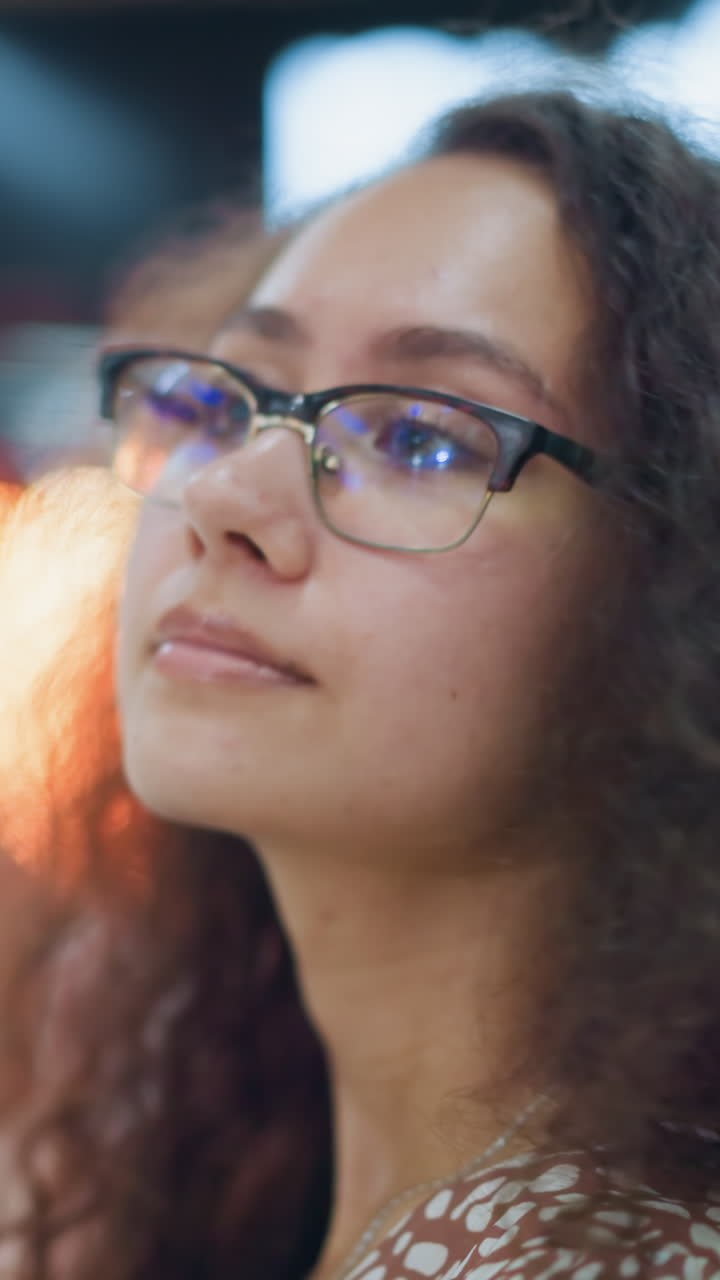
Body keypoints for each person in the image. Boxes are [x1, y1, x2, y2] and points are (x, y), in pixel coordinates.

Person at [2, 88, 720, 1280]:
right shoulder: (179, 1145)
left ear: (678, 605)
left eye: (424, 438)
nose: (229, 498)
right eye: (219, 401)